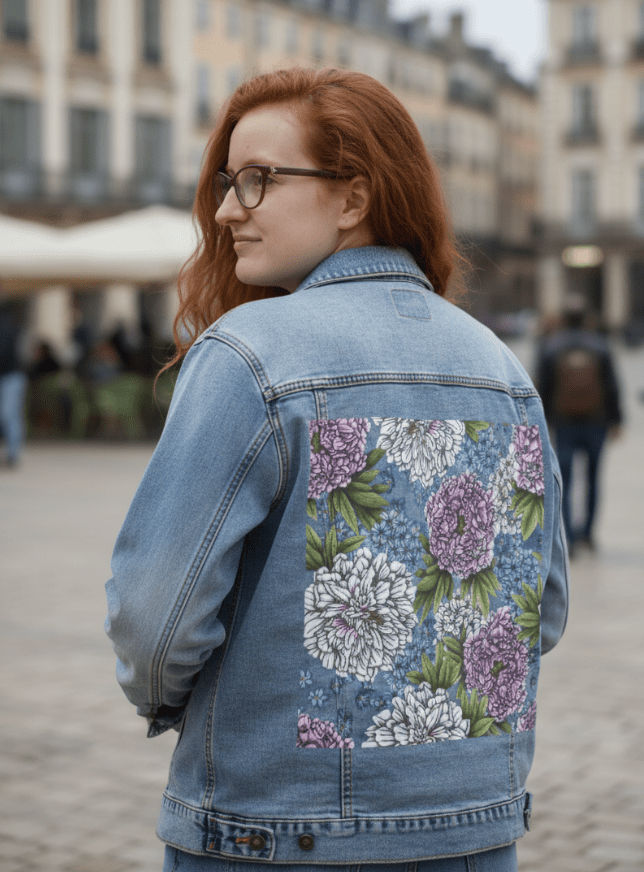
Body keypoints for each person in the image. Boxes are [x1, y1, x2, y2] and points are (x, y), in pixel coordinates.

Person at [105, 68, 569, 872]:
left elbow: (156, 617)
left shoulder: (249, 355)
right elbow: (542, 610)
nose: (224, 210)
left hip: (276, 831)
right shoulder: (502, 368)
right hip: (473, 831)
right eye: (226, 182)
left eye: (257, 181)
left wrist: (180, 702)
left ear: (353, 198)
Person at [536, 302, 622, 554]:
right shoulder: (600, 345)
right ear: (586, 319)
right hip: (596, 422)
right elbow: (612, 386)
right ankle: (588, 534)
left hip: (564, 423)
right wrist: (617, 420)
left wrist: (544, 422)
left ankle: (570, 539)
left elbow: (542, 388)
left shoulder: (551, 346)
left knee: (565, 480)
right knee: (593, 478)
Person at [0, 300, 27, 468]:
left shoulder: (5, 323)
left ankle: (13, 454)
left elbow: (4, 349)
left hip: (11, 375)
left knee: (8, 414)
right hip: (9, 374)